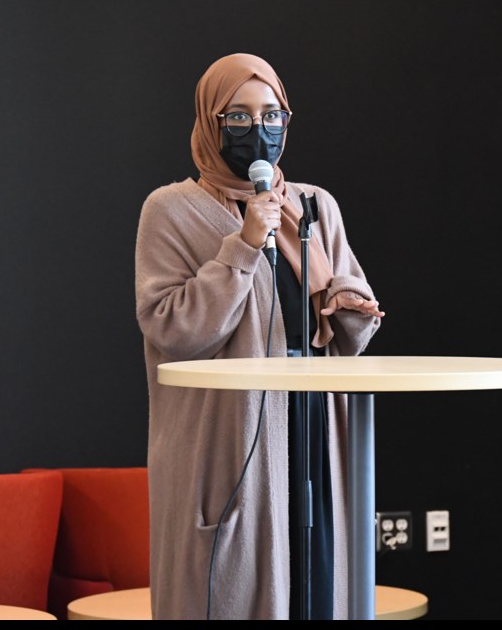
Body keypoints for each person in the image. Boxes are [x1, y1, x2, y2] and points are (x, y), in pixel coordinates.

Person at [135, 53, 383, 620]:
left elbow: (349, 333)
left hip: (313, 428)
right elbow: (172, 327)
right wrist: (243, 246)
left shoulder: (315, 206)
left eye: (272, 115)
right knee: (233, 587)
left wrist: (348, 302)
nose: (258, 132)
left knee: (318, 584)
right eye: (238, 118)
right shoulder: (170, 211)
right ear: (209, 123)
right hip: (226, 437)